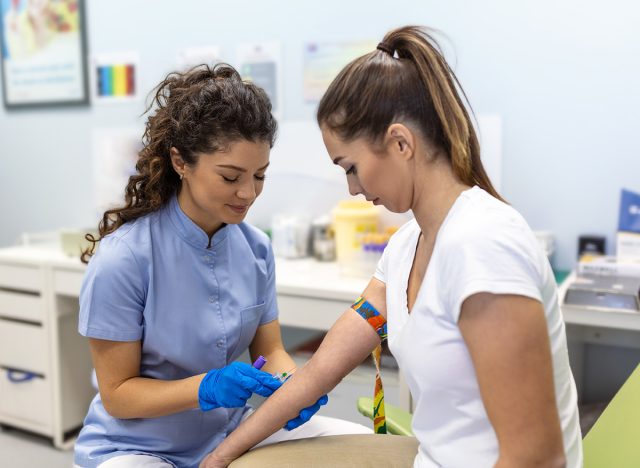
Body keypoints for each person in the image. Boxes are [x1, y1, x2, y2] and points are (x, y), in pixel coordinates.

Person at [200, 26, 583, 468]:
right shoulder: (406, 249)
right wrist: (222, 455)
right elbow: (318, 374)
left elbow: (537, 457)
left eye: (352, 167)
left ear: (401, 143)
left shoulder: (483, 246)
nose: (352, 188)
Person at [74, 63, 370, 468]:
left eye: (259, 176)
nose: (248, 193)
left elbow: (272, 351)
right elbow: (118, 395)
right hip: (136, 448)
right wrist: (206, 388)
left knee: (357, 444)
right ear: (181, 162)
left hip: (231, 433)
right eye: (230, 177)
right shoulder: (124, 259)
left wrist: (292, 386)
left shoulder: (256, 249)